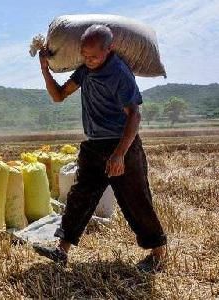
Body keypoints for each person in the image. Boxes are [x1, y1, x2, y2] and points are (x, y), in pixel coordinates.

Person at [34, 24, 167, 272]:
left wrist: (119, 155)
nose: (89, 60)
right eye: (85, 55)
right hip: (94, 146)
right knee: (80, 196)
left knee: (136, 200)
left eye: (94, 56)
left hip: (121, 145)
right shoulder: (85, 71)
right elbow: (59, 95)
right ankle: (61, 249)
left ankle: (158, 253)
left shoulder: (119, 73)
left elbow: (134, 116)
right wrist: (45, 70)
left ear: (109, 49)